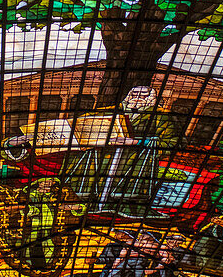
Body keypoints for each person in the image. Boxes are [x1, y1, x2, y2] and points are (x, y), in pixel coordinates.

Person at [64, 86, 179, 218]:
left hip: (135, 162)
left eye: (143, 95)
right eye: (134, 93)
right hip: (104, 159)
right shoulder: (112, 110)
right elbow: (83, 121)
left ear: (151, 98)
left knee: (124, 193)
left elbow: (172, 142)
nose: (137, 97)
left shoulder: (161, 115)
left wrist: (136, 142)